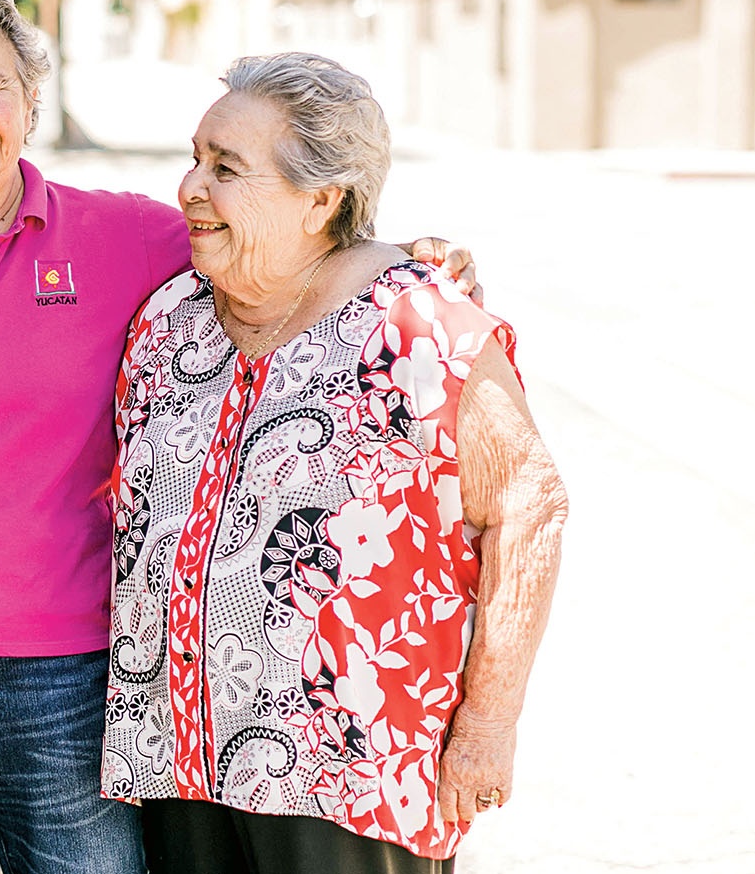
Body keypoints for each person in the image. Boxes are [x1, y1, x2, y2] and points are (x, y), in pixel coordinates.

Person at [0, 0, 478, 874]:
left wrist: (411, 256)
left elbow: (284, 235)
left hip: (71, 659)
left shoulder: (130, 237)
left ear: (29, 101)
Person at [103, 53, 568, 874]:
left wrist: (488, 727)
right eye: (196, 158)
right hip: (174, 756)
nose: (189, 186)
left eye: (226, 169)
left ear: (321, 200)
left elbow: (529, 507)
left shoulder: (418, 323)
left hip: (350, 770)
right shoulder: (168, 322)